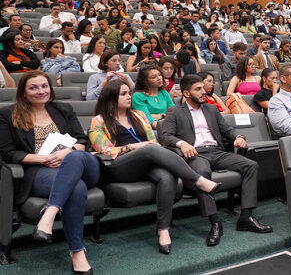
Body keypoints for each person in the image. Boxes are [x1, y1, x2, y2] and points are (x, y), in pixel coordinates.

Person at [88, 80, 221, 254]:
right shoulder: (98, 121)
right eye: (123, 94)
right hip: (117, 167)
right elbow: (104, 150)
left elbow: (153, 140)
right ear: (111, 98)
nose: (129, 96)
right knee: (150, 148)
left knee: (167, 176)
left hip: (145, 163)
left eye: (129, 92)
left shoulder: (139, 116)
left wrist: (145, 147)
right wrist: (132, 147)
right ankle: (197, 180)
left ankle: (163, 228)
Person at [0, 72, 99, 274]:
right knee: (76, 188)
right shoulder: (8, 115)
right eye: (33, 88)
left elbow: (82, 141)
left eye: (44, 86)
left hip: (83, 165)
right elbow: (8, 153)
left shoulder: (64, 109)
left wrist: (66, 153)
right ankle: (77, 252)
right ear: (23, 93)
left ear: (51, 89)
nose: (40, 91)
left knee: (73, 156)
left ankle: (50, 212)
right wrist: (42, 159)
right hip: (41, 170)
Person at [159, 74, 272, 246]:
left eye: (203, 88)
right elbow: (165, 136)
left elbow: (227, 130)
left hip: (216, 152)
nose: (204, 92)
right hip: (196, 154)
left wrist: (238, 137)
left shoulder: (211, 109)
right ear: (187, 93)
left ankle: (246, 217)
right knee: (202, 173)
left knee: (251, 165)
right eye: (198, 89)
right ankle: (215, 222)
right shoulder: (175, 111)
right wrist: (182, 144)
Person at [132, 65, 175, 129]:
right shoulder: (138, 96)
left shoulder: (164, 92)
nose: (159, 78)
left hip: (169, 124)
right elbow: (147, 120)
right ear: (145, 81)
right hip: (152, 130)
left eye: (159, 75)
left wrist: (160, 116)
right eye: (154, 77)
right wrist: (164, 116)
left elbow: (173, 112)